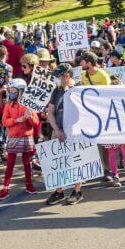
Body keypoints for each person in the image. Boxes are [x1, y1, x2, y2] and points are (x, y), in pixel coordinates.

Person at [45, 64, 84, 205]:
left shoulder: (79, 88)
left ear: (67, 75)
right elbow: (50, 111)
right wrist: (57, 130)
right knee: (58, 162)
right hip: (60, 130)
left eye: (61, 76)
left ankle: (77, 191)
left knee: (77, 161)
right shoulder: (57, 91)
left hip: (75, 132)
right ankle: (59, 191)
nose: (59, 78)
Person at [0, 79, 39, 200]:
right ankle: (5, 187)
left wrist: (29, 116)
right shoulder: (8, 105)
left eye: (13, 90)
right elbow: (5, 121)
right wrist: (18, 120)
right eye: (10, 90)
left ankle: (29, 184)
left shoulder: (29, 104)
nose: (11, 93)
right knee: (10, 163)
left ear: (21, 91)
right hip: (13, 136)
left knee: (27, 162)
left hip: (26, 136)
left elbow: (35, 123)